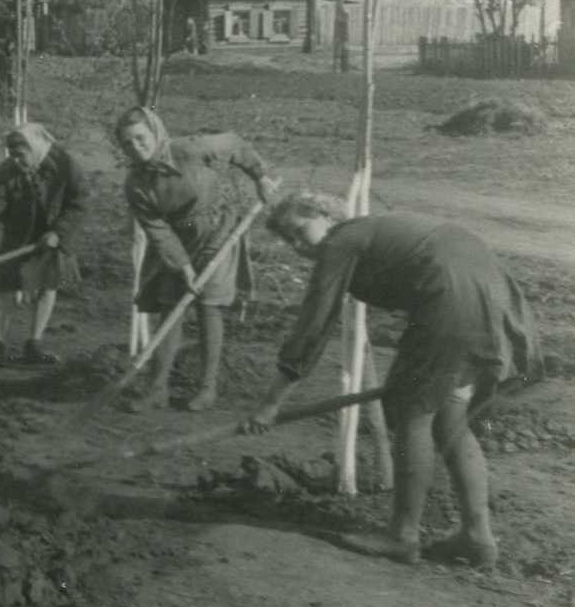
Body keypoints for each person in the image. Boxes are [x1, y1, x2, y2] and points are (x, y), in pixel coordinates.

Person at [248, 195, 543, 568]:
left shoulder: (341, 241)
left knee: (412, 415)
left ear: (323, 214)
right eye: (287, 240)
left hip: (451, 302)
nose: (297, 244)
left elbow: (314, 325)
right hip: (490, 302)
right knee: (450, 420)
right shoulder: (372, 232)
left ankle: (402, 535)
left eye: (299, 230)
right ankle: (478, 537)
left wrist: (271, 403)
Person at [116, 106, 279, 411]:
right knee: (170, 307)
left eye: (141, 139)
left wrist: (260, 176)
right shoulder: (136, 184)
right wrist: (182, 266)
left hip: (218, 230)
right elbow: (158, 231)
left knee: (208, 306)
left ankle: (207, 389)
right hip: (178, 240)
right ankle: (156, 389)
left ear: (155, 133)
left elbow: (234, 144)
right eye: (127, 144)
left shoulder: (191, 149)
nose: (136, 148)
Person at [0, 124, 88, 365]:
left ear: (35, 148)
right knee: (5, 287)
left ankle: (34, 344)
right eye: (12, 154)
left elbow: (79, 203)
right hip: (15, 236)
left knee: (47, 286)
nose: (16, 159)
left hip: (52, 235)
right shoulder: (5, 172)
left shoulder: (66, 165)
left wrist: (59, 232)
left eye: (20, 154)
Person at [0, 38, 15, 118]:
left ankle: (10, 114)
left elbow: (12, 67)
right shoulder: (0, 54)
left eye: (13, 45)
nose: (13, 47)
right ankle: (2, 115)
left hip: (10, 79)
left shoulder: (10, 54)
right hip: (3, 79)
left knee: (12, 97)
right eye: (11, 45)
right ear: (7, 45)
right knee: (3, 98)